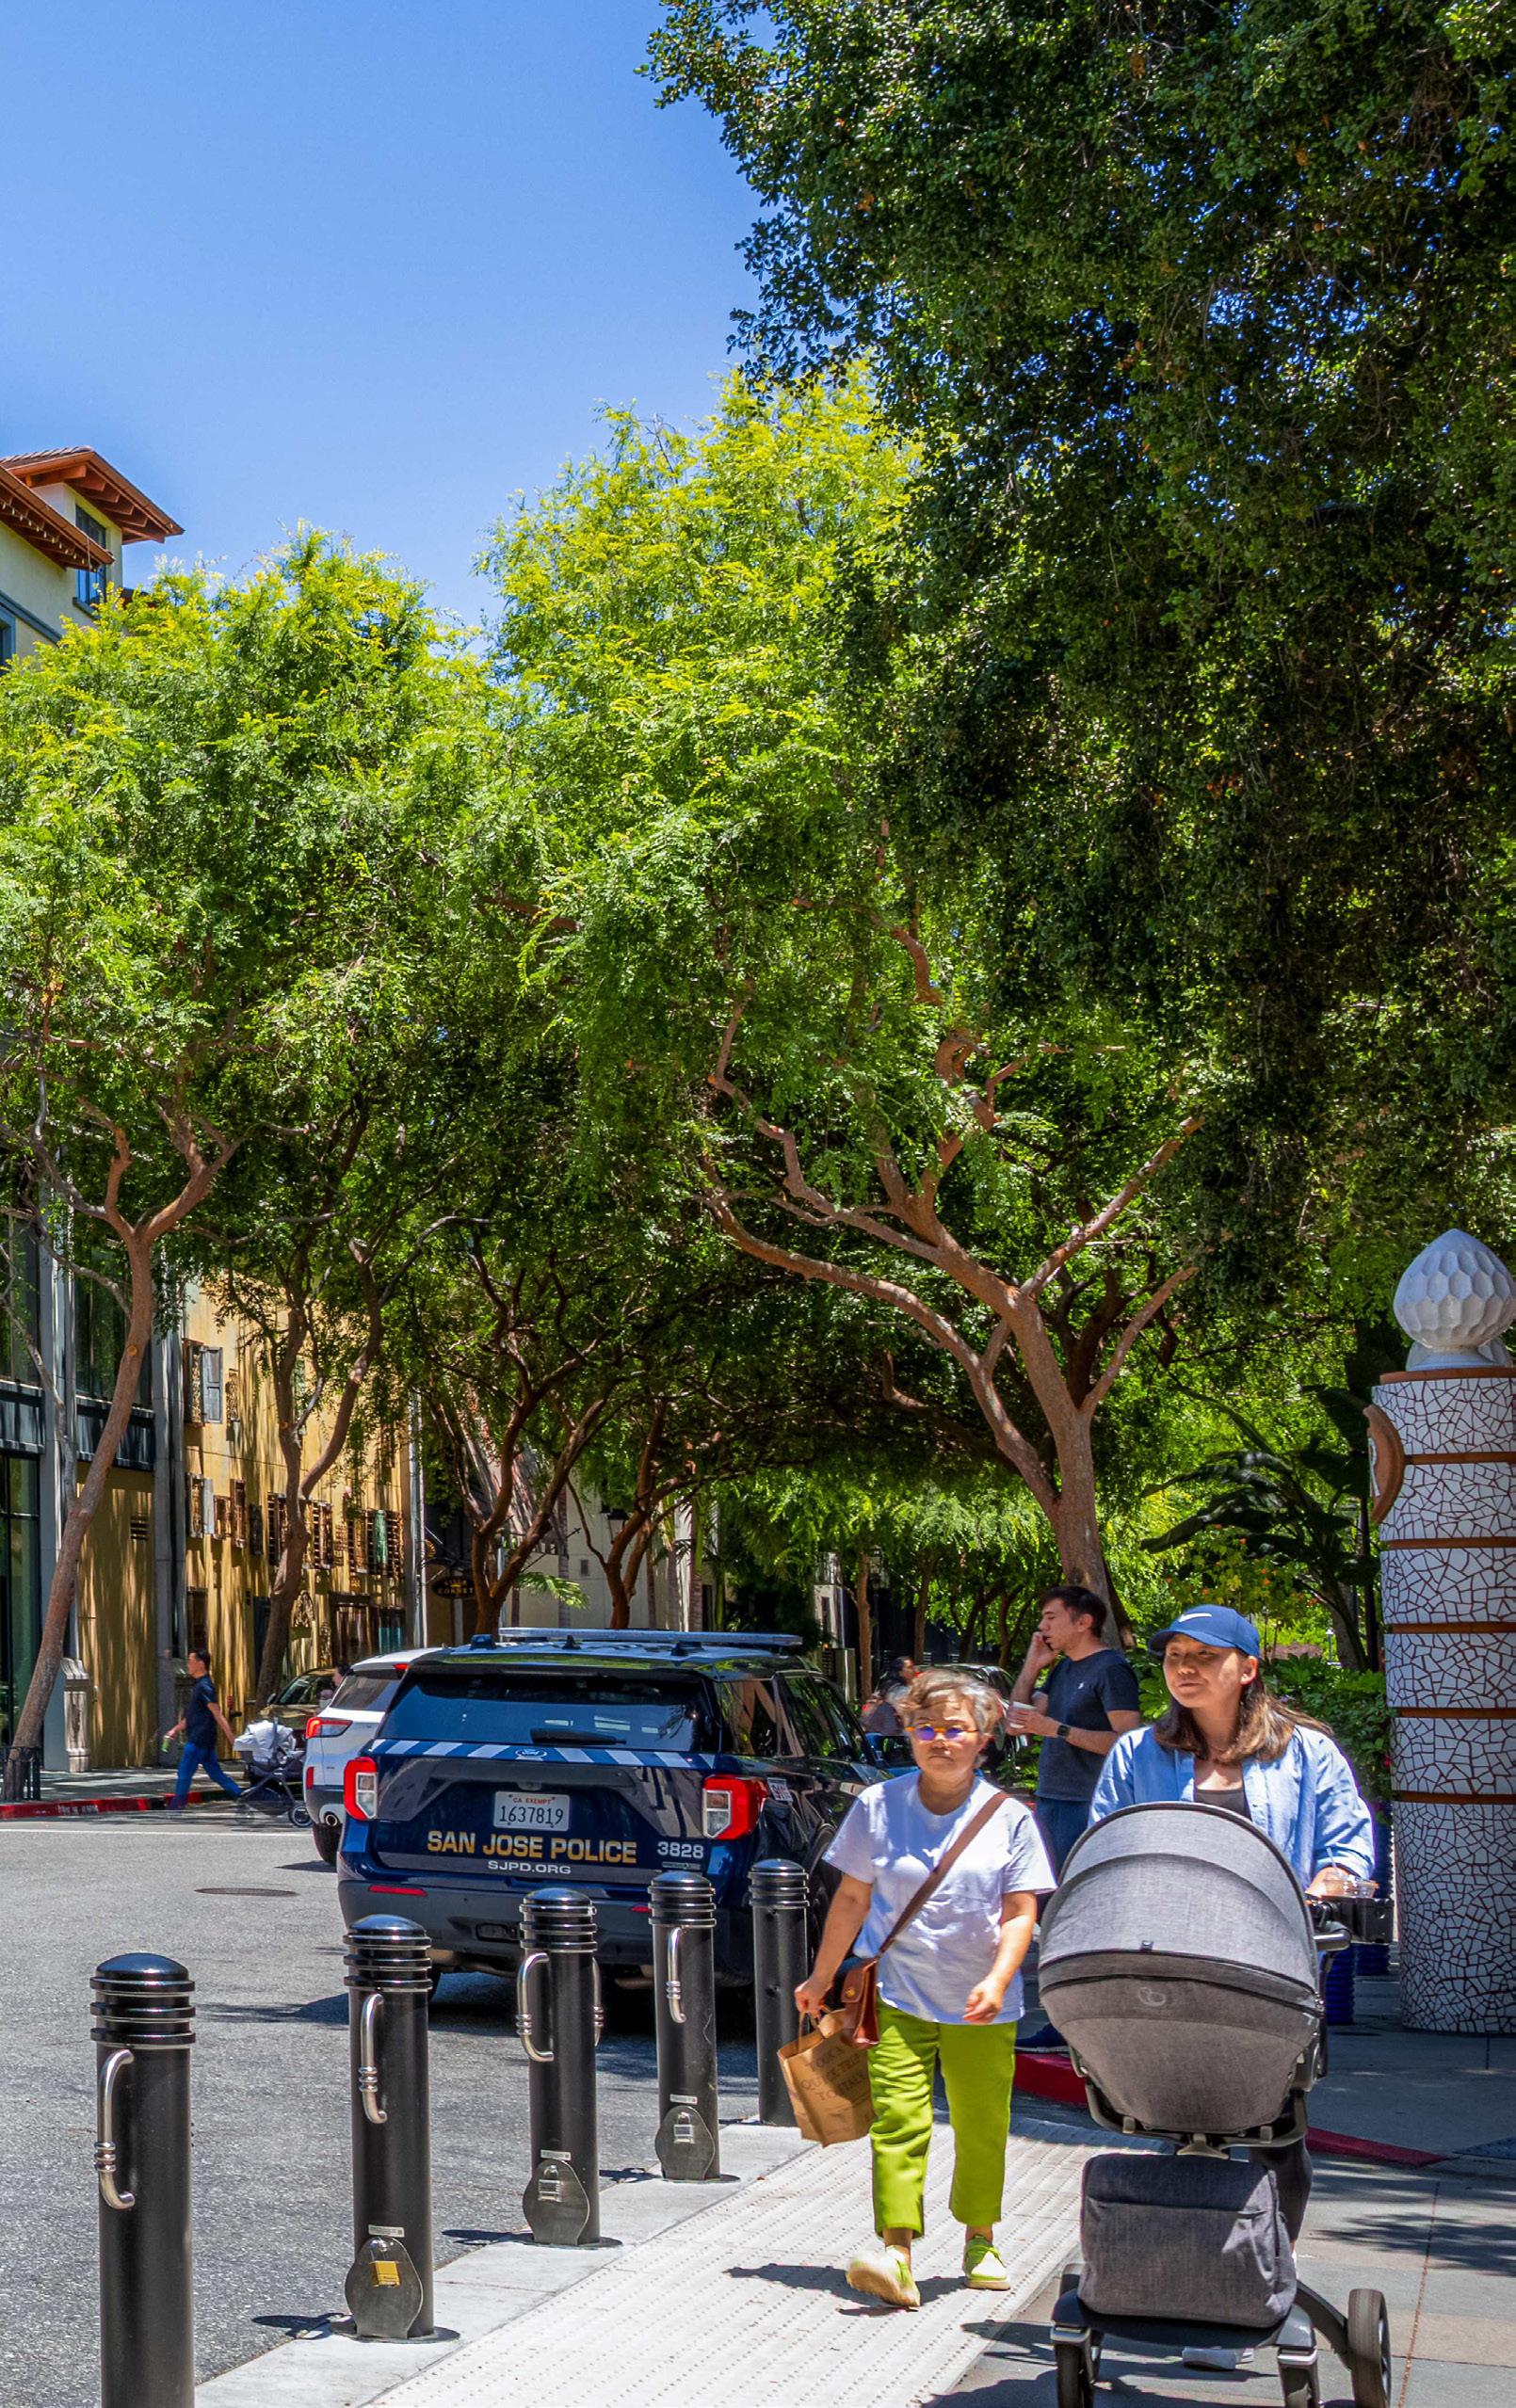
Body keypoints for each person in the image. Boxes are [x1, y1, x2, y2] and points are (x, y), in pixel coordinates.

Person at [1090, 1602, 1375, 2370]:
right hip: (1168, 1967)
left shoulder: (1306, 1753)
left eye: (1204, 1656)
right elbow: (1107, 1842)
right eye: (1173, 1655)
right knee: (1179, 2125)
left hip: (1270, 1973)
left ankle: (1256, 2283)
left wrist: (1333, 1878)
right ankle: (1194, 2286)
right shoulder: (1139, 1753)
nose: (1184, 1669)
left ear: (1247, 1669)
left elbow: (1350, 1846)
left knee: (1274, 2132)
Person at [795, 1669, 1055, 2311]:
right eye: (927, 1727)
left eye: (956, 1728)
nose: (941, 1740)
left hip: (982, 2001)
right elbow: (851, 1900)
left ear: (984, 1738)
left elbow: (1021, 1911)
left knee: (982, 2123)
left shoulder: (1008, 1817)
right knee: (898, 2122)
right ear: (909, 1733)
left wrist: (998, 1979)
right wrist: (822, 1976)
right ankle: (898, 2253)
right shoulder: (877, 1807)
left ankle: (980, 2239)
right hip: (896, 1991)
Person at [1005, 1584, 1145, 1878]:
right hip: (1050, 1796)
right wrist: (1032, 1666)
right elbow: (1016, 1723)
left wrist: (1058, 1730)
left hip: (1089, 1800)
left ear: (1083, 1622)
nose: (1042, 1627)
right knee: (1045, 1889)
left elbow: (1126, 1742)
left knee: (1077, 1886)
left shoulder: (1111, 1669)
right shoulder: (1062, 1669)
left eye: (1051, 1618)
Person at [163, 1648, 242, 1809]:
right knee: (215, 1774)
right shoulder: (199, 1685)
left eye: (190, 1661)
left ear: (201, 1664)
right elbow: (191, 1716)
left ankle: (177, 1805)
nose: (188, 1664)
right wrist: (174, 1730)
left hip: (199, 1739)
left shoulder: (205, 1686)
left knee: (184, 1772)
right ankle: (241, 1795)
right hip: (205, 1739)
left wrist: (233, 1740)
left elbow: (217, 1714)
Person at [861, 1654, 918, 1738]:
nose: (914, 1670)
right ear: (900, 1672)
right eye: (910, 1667)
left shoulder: (887, 1687)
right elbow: (906, 1716)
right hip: (892, 1735)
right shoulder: (899, 1691)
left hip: (879, 1732)